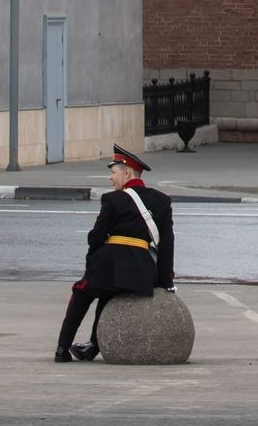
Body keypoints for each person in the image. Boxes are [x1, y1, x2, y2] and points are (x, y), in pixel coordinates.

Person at [54, 145, 176, 362]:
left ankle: (62, 349)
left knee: (82, 293)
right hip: (141, 272)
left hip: (108, 265)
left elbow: (96, 237)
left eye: (113, 172)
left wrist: (92, 264)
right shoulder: (162, 200)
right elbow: (167, 244)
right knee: (109, 293)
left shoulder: (113, 199)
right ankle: (92, 347)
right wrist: (165, 281)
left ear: (126, 173)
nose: (110, 178)